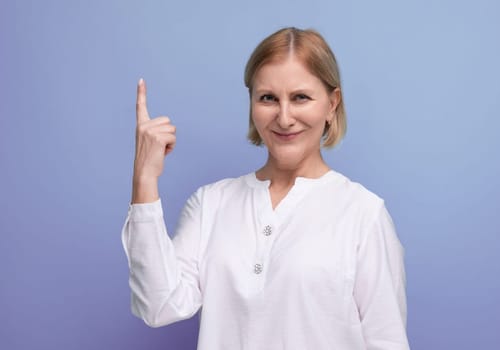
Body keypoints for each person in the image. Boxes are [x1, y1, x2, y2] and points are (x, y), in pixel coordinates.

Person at [121, 27, 410, 349]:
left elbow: (387, 341)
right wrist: (144, 178)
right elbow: (159, 305)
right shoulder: (210, 204)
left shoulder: (363, 214)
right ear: (252, 104)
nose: (284, 118)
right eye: (268, 98)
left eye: (300, 97)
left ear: (332, 104)